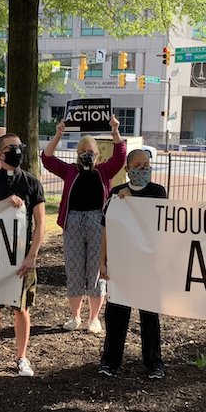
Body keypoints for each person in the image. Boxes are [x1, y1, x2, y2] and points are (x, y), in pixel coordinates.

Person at [42, 116, 126, 334]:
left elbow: (121, 155)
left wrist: (115, 130)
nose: (87, 154)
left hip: (98, 221)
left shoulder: (104, 171)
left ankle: (94, 318)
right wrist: (58, 133)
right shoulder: (70, 171)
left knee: (96, 270)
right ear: (77, 154)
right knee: (74, 268)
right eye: (82, 151)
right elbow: (47, 159)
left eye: (90, 151)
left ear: (97, 154)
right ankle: (75, 316)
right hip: (74, 222)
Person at [0, 133, 46, 377]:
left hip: (22, 258)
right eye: (11, 147)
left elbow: (41, 223)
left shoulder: (32, 183)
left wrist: (31, 255)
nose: (17, 151)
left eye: (19, 146)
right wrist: (3, 202)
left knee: (21, 308)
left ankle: (22, 357)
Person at [97, 149, 169, 379]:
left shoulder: (158, 192)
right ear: (127, 170)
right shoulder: (116, 194)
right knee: (116, 315)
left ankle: (154, 363)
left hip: (148, 266)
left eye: (146, 165)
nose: (143, 169)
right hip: (122, 265)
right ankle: (110, 361)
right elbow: (106, 228)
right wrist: (102, 261)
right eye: (137, 165)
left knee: (150, 316)